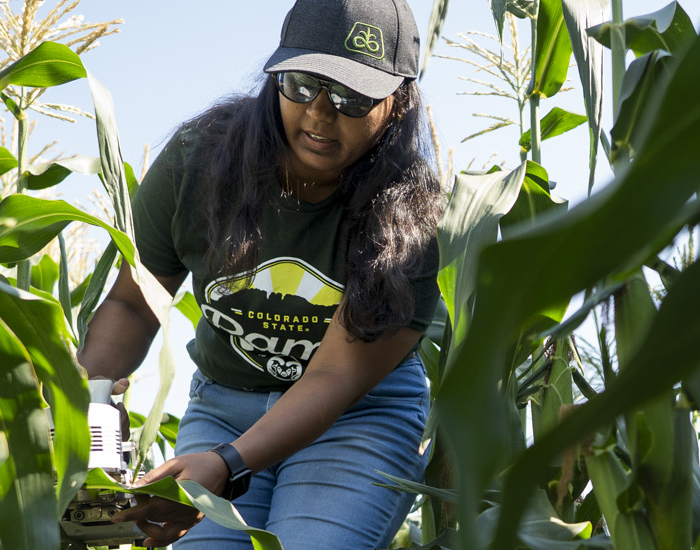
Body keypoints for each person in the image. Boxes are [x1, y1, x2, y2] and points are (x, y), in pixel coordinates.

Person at [76, 0, 444, 547]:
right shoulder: (197, 163)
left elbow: (333, 378)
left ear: (397, 102)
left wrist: (227, 464)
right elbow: (135, 303)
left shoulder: (406, 219)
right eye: (300, 84)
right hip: (226, 406)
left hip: (355, 417)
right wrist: (91, 419)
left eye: (350, 96)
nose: (319, 113)